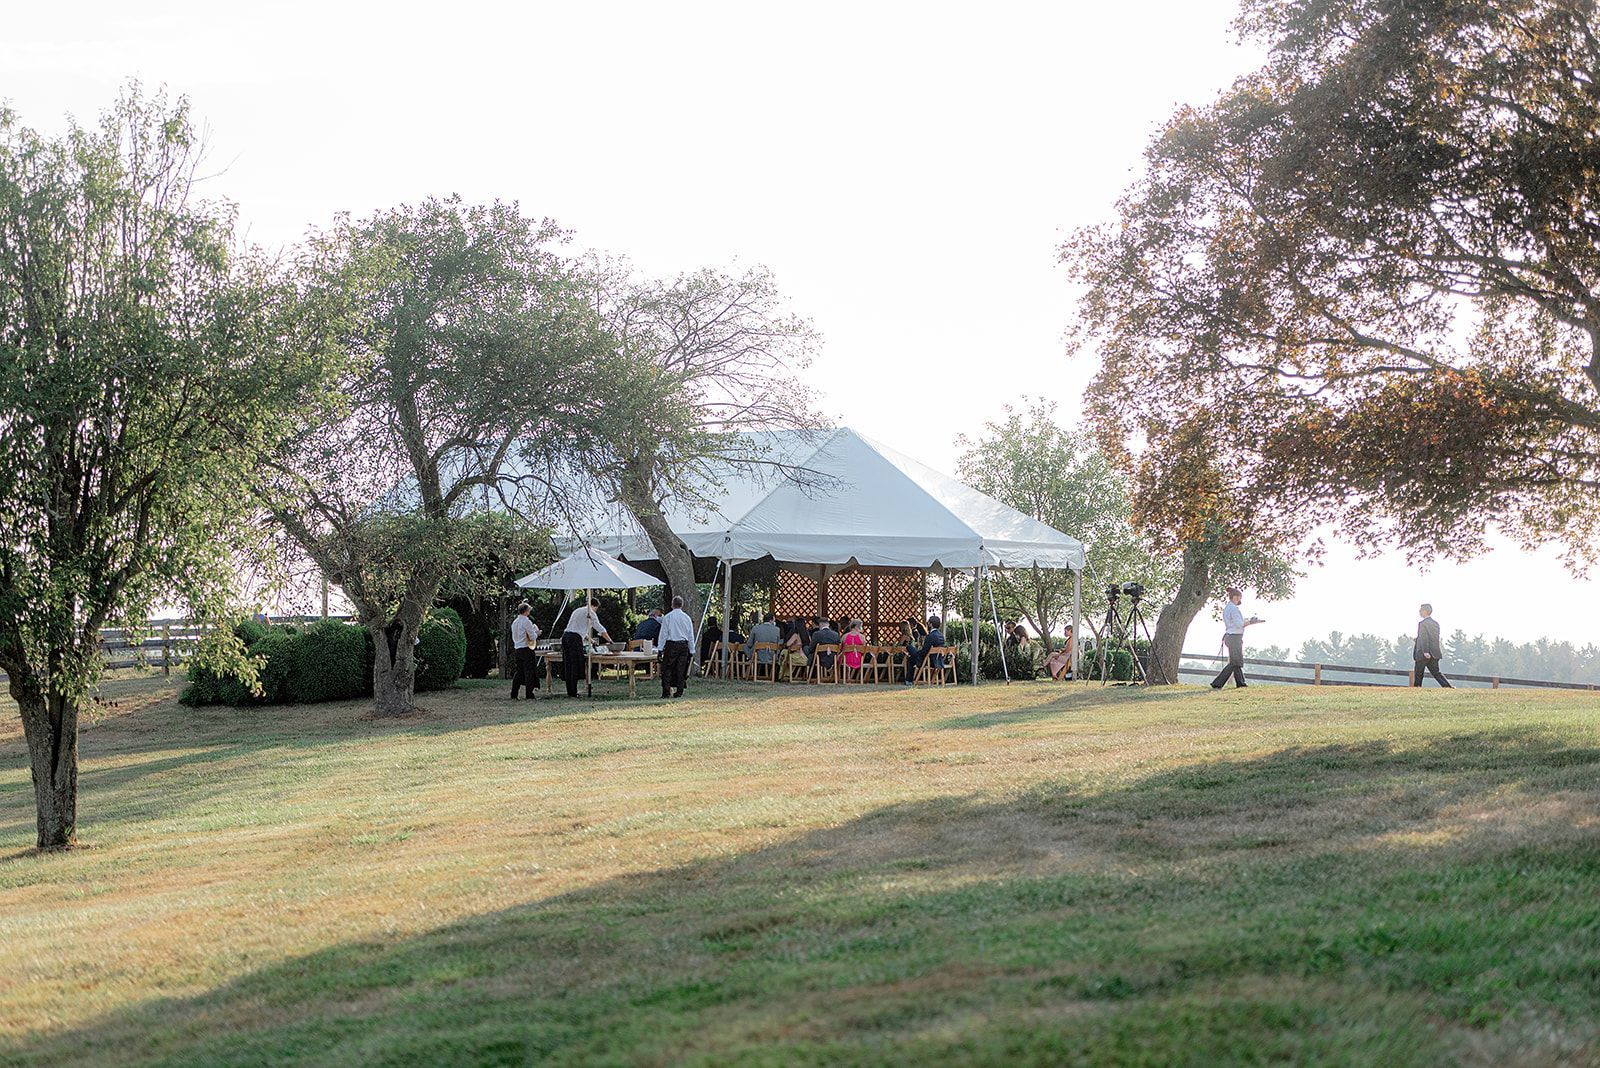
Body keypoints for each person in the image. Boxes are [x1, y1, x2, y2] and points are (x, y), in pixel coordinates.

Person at [1210, 588, 1262, 689]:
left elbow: (1237, 622)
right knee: (1235, 662)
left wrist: (1248, 621)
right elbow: (1239, 624)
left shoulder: (1229, 608)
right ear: (1232, 597)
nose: (1238, 598)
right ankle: (1217, 683)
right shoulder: (1233, 609)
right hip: (1234, 637)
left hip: (1232, 636)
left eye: (1239, 596)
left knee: (1236, 661)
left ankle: (1241, 683)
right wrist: (1251, 622)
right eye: (1236, 596)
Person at [563, 597, 610, 698]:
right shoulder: (590, 613)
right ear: (595, 606)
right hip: (574, 639)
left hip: (565, 636)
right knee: (575, 665)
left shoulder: (577, 610)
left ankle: (570, 691)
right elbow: (600, 628)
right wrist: (610, 641)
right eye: (596, 608)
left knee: (568, 665)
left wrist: (591, 640)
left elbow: (578, 629)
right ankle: (573, 692)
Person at [656, 595, 695, 698]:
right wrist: (692, 650)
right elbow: (690, 635)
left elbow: (663, 634)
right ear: (682, 605)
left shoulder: (668, 617)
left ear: (672, 605)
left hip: (671, 645)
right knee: (681, 669)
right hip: (683, 646)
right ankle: (679, 691)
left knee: (667, 668)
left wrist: (660, 649)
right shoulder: (687, 618)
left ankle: (666, 692)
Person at [1412, 603, 1453, 687]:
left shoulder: (1422, 623)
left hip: (1423, 653)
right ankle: (1448, 687)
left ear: (1425, 611)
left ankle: (1416, 688)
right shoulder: (1435, 623)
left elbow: (1424, 637)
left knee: (1418, 673)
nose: (1419, 612)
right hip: (1434, 652)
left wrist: (1425, 651)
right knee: (1436, 672)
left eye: (1420, 610)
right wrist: (1417, 640)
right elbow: (1433, 638)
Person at [903, 614, 947, 684]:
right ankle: (908, 681)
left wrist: (916, 652)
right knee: (912, 657)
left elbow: (924, 651)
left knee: (909, 649)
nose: (927, 624)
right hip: (938, 660)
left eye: (928, 622)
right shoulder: (941, 636)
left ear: (931, 624)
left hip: (928, 661)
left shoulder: (930, 636)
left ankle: (909, 681)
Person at [509, 601, 540, 699]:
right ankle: (529, 694)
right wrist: (537, 633)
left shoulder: (515, 622)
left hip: (517, 648)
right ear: (526, 611)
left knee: (519, 671)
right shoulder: (526, 621)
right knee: (529, 672)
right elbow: (532, 636)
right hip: (526, 648)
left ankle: (514, 693)